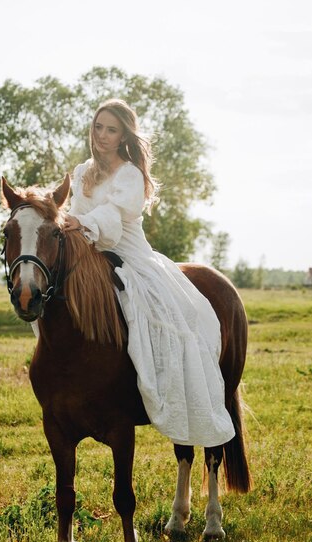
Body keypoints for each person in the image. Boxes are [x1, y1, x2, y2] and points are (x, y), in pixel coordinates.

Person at [64, 99, 235, 447]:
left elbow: (110, 221)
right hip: (88, 252)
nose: (102, 136)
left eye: (111, 129)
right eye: (98, 127)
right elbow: (73, 214)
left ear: (124, 135)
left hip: (129, 254)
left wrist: (79, 222)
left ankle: (162, 379)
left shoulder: (129, 173)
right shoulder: (82, 172)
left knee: (162, 312)